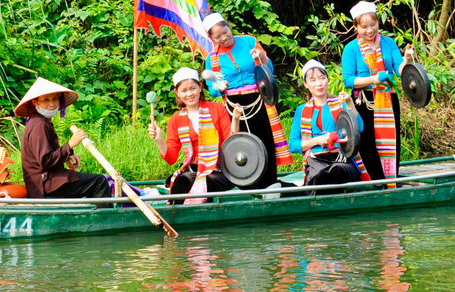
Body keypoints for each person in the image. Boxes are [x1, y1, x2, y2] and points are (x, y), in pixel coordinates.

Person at [201, 12, 293, 188]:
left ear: (229, 27)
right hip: (233, 105)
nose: (223, 38)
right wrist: (220, 87)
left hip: (259, 99)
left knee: (265, 139)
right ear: (211, 38)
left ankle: (270, 183)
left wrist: (261, 55)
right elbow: (212, 91)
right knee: (240, 144)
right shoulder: (211, 59)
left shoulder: (249, 41)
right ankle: (245, 184)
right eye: (217, 36)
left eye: (225, 31)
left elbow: (269, 69)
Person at [341, 1, 413, 187]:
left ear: (378, 23)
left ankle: (391, 180)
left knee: (389, 141)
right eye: (364, 27)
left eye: (373, 24)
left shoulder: (388, 43)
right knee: (366, 142)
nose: (369, 30)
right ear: (356, 27)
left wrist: (408, 60)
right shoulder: (351, 49)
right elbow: (349, 80)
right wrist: (373, 79)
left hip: (388, 99)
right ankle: (373, 182)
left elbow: (399, 69)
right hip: (364, 101)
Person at [148, 67, 242, 204]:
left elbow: (231, 143)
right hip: (192, 170)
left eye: (193, 88)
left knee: (207, 182)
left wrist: (236, 118)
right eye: (184, 90)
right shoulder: (176, 120)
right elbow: (171, 158)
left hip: (218, 170)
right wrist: (159, 140)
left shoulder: (217, 109)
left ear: (200, 87)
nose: (189, 94)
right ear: (177, 93)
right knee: (183, 181)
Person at [15, 77, 112, 199]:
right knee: (100, 182)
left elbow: (48, 154)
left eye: (55, 99)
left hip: (48, 180)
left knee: (93, 181)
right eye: (46, 100)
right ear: (35, 102)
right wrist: (70, 144)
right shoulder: (40, 125)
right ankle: (103, 218)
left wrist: (68, 154)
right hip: (45, 184)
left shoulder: (41, 121)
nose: (51, 104)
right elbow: (45, 161)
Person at [289, 60, 370, 189]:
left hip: (341, 159)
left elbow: (359, 127)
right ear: (305, 84)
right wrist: (317, 141)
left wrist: (349, 103)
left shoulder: (341, 103)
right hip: (316, 161)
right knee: (319, 176)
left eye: (322, 78)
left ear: (327, 79)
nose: (319, 83)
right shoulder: (301, 110)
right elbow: (293, 145)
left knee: (338, 171)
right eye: (313, 80)